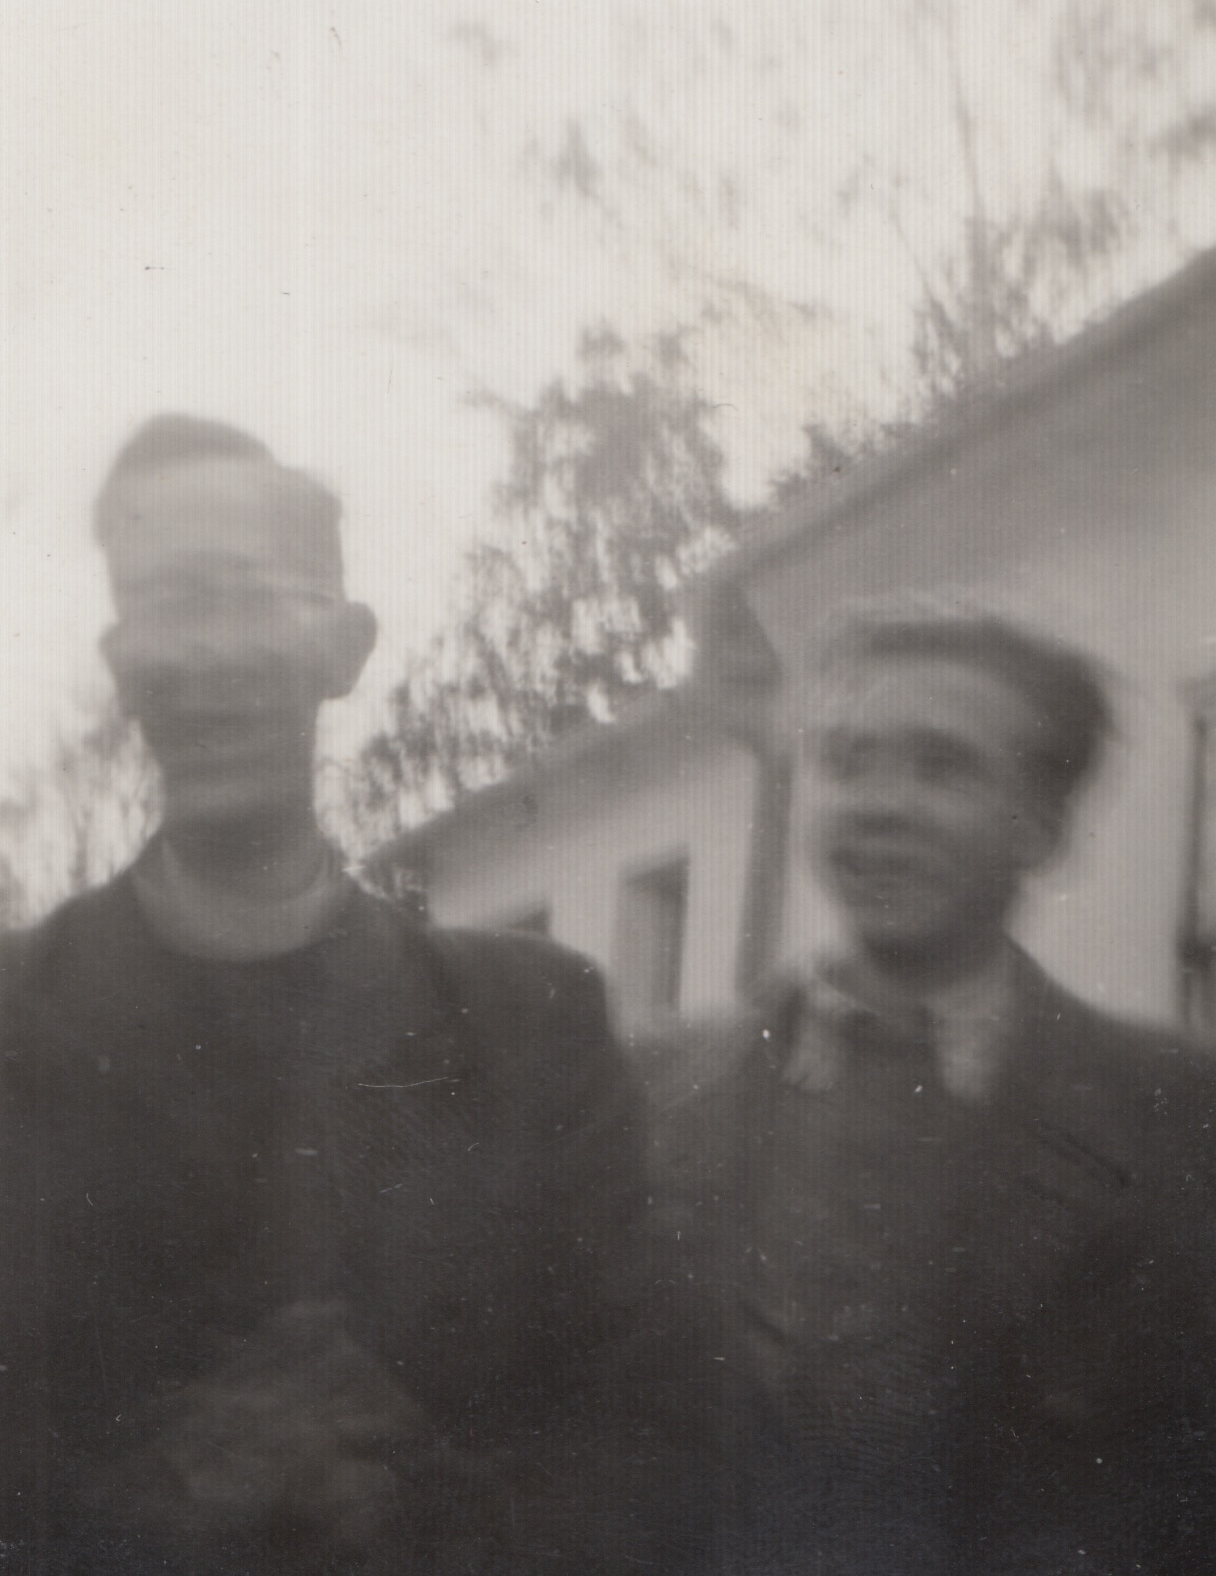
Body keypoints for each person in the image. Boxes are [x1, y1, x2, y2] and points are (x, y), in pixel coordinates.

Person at [0, 415, 646, 1576]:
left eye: (243, 596)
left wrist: (415, 1505)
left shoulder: (530, 1028)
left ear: (343, 648)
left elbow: (626, 1451)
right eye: (161, 605)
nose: (202, 655)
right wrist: (152, 1507)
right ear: (120, 663)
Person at [645, 599, 1216, 1575]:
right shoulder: (648, 1086)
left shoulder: (1179, 1113)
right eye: (846, 761)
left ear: (1043, 827)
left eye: (942, 767)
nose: (880, 805)